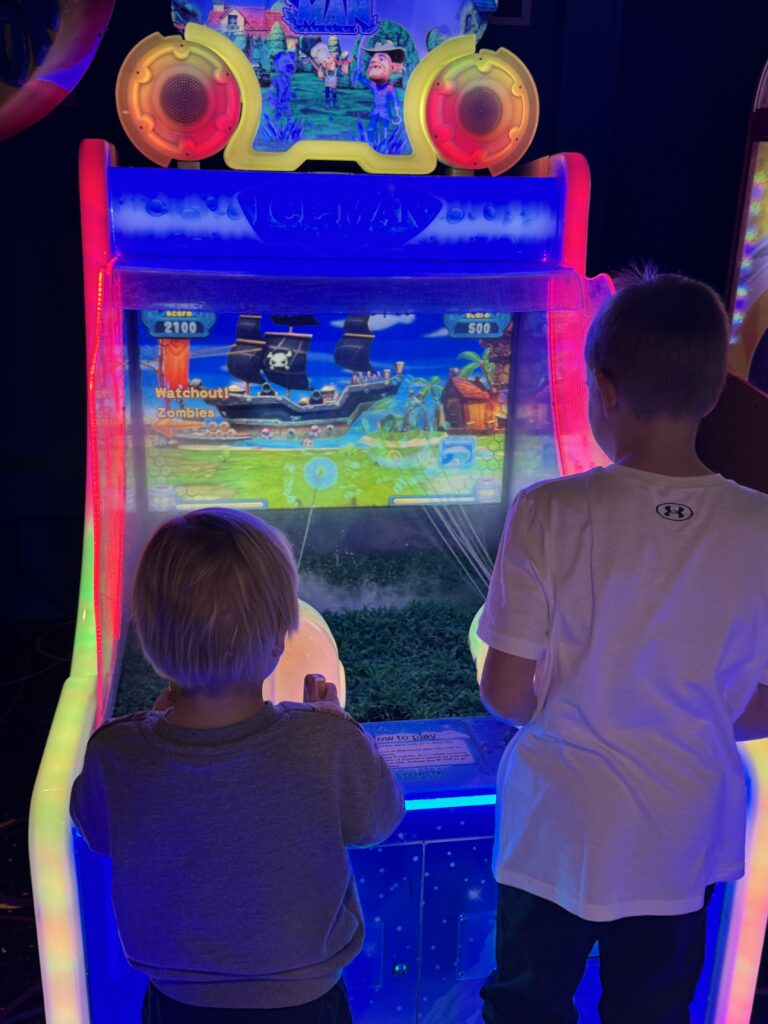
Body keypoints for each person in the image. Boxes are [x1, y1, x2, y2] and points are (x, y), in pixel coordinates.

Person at [476, 270, 768, 1024]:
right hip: (683, 835)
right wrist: (689, 708)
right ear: (713, 391)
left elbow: (505, 691)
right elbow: (761, 704)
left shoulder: (548, 511)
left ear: (604, 388)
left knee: (527, 1005)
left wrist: (581, 699)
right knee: (653, 1009)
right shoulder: (761, 526)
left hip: (557, 828)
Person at [70, 508, 404, 1023]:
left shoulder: (116, 752)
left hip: (178, 1001)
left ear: (150, 639)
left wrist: (152, 724)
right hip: (305, 1002)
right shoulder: (325, 739)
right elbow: (380, 819)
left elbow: (98, 832)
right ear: (277, 639)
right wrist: (338, 721)